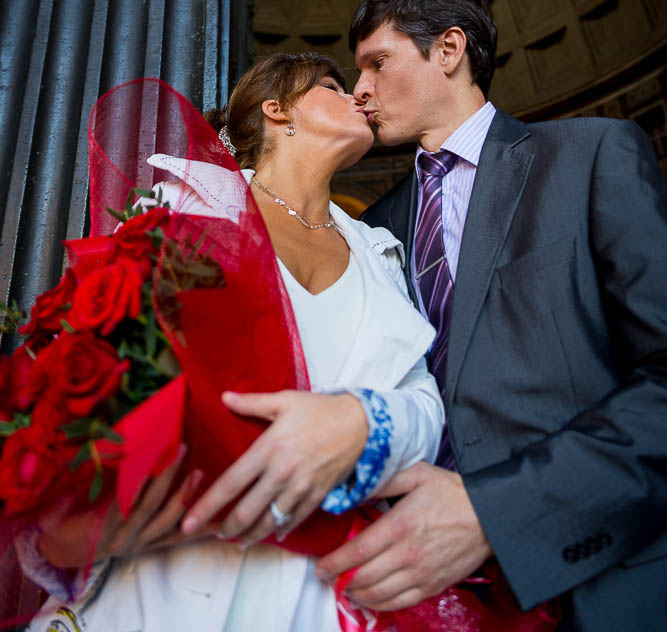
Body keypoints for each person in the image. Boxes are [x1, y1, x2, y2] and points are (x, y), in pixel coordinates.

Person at [26, 53, 444, 632]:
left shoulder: (382, 252)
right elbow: (95, 369)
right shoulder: (184, 205)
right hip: (169, 571)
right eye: (332, 85)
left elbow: (424, 400)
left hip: (321, 592)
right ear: (277, 109)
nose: (358, 96)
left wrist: (365, 422)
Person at [314, 0, 667, 631]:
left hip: (599, 585)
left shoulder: (591, 155)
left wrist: (498, 510)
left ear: (447, 50)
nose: (358, 90)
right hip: (415, 592)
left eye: (376, 63)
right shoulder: (369, 233)